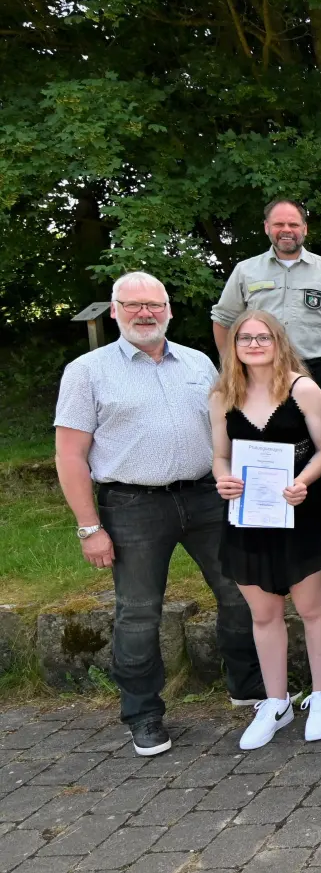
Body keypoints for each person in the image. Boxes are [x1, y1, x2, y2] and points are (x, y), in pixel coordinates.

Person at [54, 272, 265, 757]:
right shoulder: (87, 371)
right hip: (132, 504)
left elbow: (227, 429)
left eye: (154, 304)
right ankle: (143, 713)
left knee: (239, 591)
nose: (144, 313)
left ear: (169, 309)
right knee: (139, 612)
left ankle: (247, 684)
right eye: (132, 305)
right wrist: (90, 528)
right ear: (114, 311)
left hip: (206, 496)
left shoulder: (197, 362)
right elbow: (69, 456)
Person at [209, 312, 321, 750]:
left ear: (278, 341)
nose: (253, 343)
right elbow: (220, 456)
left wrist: (303, 482)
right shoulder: (222, 395)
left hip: (298, 511)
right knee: (264, 614)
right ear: (234, 345)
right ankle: (276, 701)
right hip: (248, 516)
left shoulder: (302, 389)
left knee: (311, 608)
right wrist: (223, 478)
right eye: (244, 338)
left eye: (262, 336)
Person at [212, 199, 321, 401]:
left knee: (318, 432)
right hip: (259, 371)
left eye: (293, 224)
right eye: (279, 224)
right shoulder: (245, 271)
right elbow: (222, 320)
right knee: (261, 431)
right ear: (267, 227)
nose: (286, 230)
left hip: (314, 371)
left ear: (304, 229)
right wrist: (232, 366)